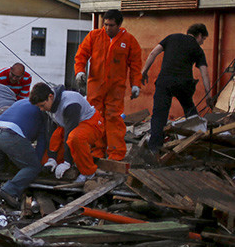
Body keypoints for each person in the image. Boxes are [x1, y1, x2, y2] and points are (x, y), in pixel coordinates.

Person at [74, 9, 141, 161]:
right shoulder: (94, 36)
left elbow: (136, 65)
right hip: (95, 86)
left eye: (111, 25)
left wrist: (136, 84)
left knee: (114, 119)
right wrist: (79, 71)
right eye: (105, 24)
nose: (107, 28)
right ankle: (96, 151)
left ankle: (116, 154)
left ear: (119, 25)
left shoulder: (129, 41)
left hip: (115, 88)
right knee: (95, 117)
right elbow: (82, 55)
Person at [141, 23, 215, 155]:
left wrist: (144, 71)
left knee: (159, 116)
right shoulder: (197, 49)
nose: (202, 43)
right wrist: (208, 94)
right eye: (203, 39)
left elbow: (153, 53)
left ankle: (154, 149)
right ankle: (196, 143)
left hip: (164, 82)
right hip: (184, 84)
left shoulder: (171, 38)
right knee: (190, 112)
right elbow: (204, 72)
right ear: (199, 35)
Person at [30, 82, 104, 182]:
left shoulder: (70, 104)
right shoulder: (49, 103)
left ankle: (88, 172)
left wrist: (67, 162)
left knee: (75, 138)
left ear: (50, 96)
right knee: (45, 160)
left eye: (42, 105)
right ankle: (59, 162)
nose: (42, 109)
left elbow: (70, 132)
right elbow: (51, 132)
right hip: (69, 126)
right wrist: (52, 158)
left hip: (91, 123)